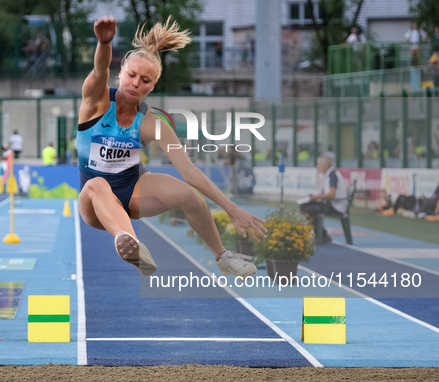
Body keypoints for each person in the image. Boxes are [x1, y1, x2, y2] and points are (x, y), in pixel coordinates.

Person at [76, 16, 267, 279]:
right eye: (131, 75)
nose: (135, 83)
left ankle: (223, 256)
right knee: (97, 185)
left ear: (153, 86)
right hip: (95, 203)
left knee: (188, 195)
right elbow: (99, 71)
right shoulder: (95, 102)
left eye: (145, 80)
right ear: (121, 72)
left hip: (132, 192)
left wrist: (231, 209)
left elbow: (190, 172)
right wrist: (105, 42)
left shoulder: (152, 122)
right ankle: (129, 243)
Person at [300, 153, 348, 244]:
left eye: (318, 164)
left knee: (309, 210)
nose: (316, 166)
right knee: (303, 206)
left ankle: (321, 236)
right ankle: (323, 235)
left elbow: (331, 195)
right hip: (330, 203)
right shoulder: (329, 174)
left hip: (336, 206)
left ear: (326, 165)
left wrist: (317, 197)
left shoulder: (332, 175)